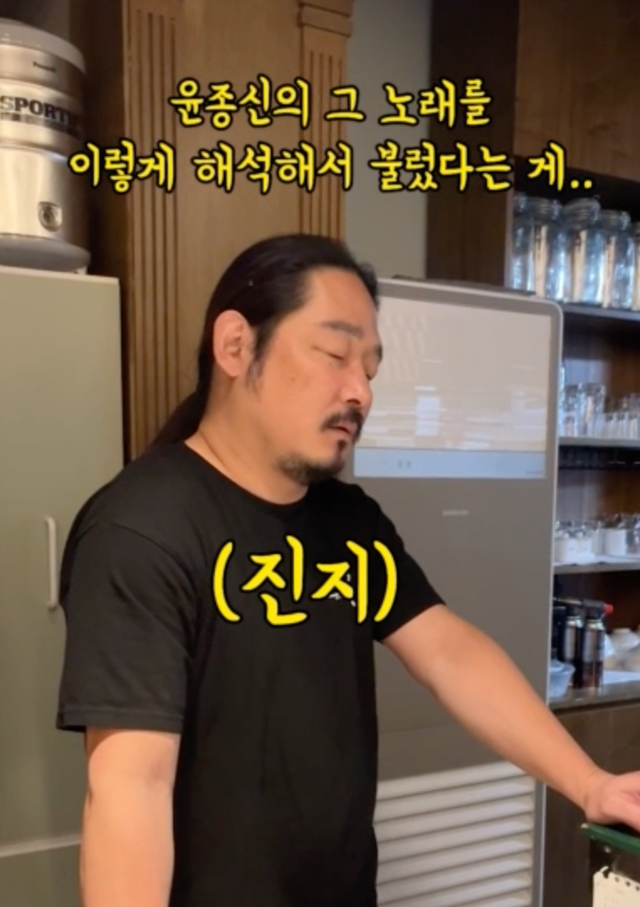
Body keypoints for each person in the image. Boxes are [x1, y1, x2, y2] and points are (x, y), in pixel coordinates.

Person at [57, 233, 640, 907]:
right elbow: (129, 786)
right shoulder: (142, 530)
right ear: (235, 345)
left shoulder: (348, 522)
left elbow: (448, 653)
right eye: (334, 355)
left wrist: (589, 782)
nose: (359, 391)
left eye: (370, 368)